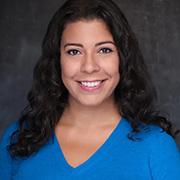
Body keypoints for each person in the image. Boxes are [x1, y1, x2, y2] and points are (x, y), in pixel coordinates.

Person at [0, 0, 180, 179]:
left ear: (122, 57)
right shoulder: (19, 139)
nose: (89, 67)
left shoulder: (156, 148)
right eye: (74, 52)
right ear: (57, 60)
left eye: (104, 50)